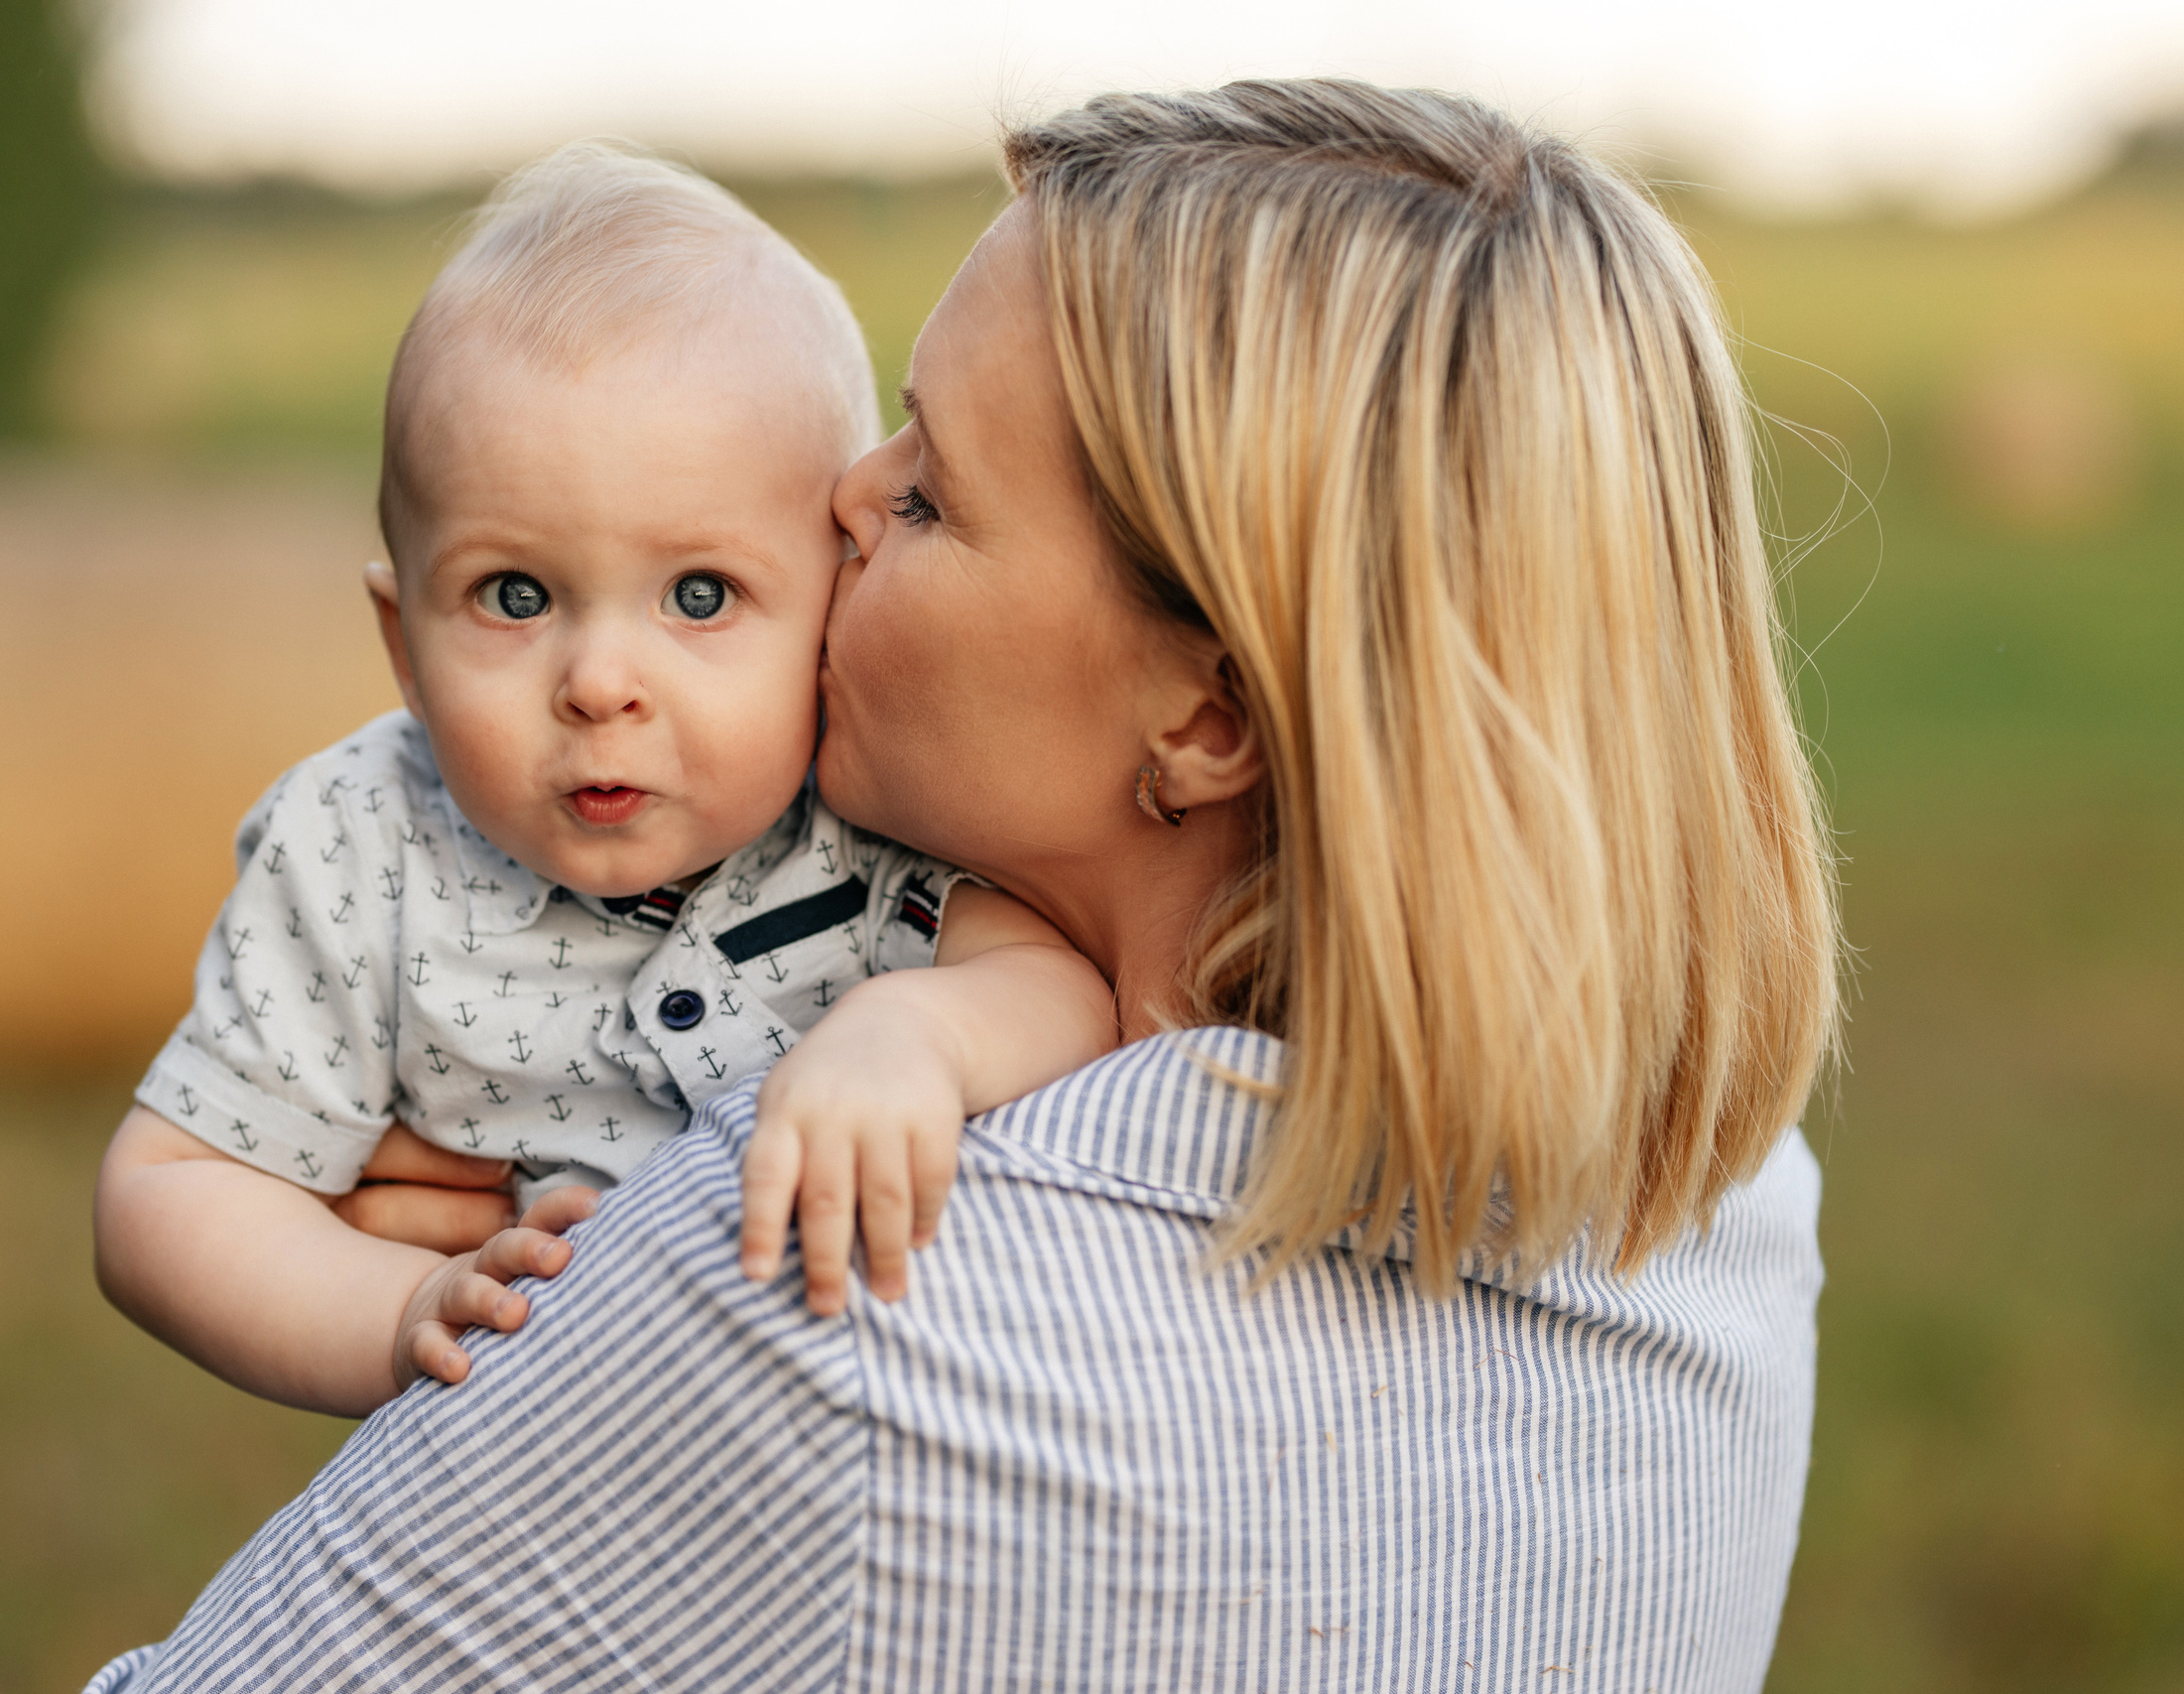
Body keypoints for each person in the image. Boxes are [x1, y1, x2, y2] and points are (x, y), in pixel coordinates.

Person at [89, 76, 1841, 1692]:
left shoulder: (819, 1274)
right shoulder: (1722, 1197)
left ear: (1207, 715)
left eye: (928, 490)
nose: (840, 499)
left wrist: (582, 1326)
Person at [90, 143, 1114, 1419]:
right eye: (515, 597)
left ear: (833, 606)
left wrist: (915, 1035)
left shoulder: (864, 817)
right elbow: (171, 1188)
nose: (598, 683)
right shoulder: (362, 848)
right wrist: (397, 1310)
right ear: (404, 646)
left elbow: (1057, 991)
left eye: (701, 595)